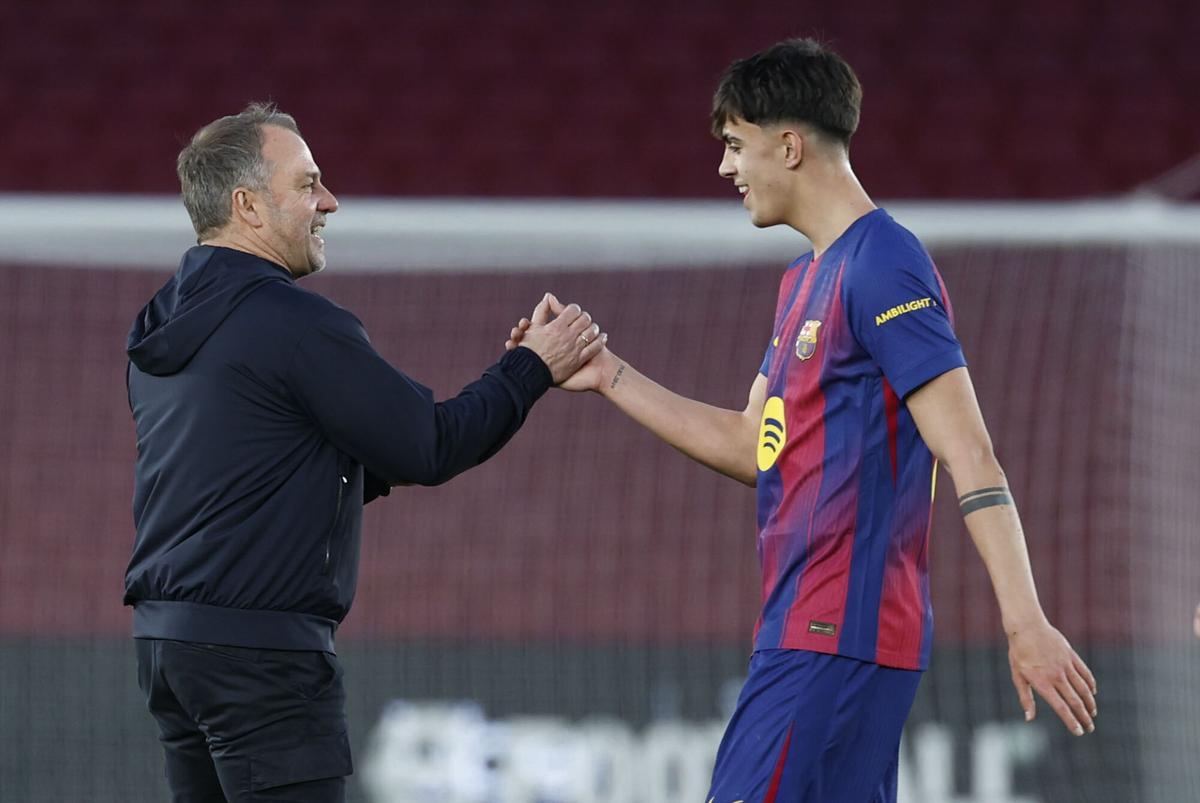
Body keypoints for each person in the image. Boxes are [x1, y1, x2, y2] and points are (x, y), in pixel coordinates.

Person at [508, 38, 1097, 802]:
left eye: (734, 144)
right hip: (815, 629)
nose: (725, 168)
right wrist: (607, 374)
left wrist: (1024, 622)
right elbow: (755, 445)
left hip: (833, 635)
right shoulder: (803, 283)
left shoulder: (885, 262)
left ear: (788, 145)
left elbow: (972, 454)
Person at [124, 102, 605, 802]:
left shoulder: (154, 329)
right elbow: (429, 445)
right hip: (263, 660)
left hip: (168, 651)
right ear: (248, 206)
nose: (330, 201)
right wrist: (531, 367)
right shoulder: (296, 324)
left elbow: (268, 472)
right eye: (309, 183)